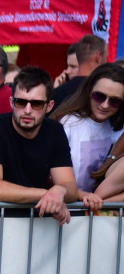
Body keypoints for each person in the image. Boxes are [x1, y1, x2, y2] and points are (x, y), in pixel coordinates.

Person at [0, 67, 99, 220]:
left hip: (38, 224)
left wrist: (60, 191)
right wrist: (48, 194)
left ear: (49, 106)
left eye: (36, 104)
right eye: (21, 102)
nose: (27, 110)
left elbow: (69, 186)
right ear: (11, 102)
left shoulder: (54, 131)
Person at [51, 62, 124, 194]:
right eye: (99, 96)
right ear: (89, 91)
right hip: (65, 208)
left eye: (115, 101)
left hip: (95, 210)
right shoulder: (68, 124)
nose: (105, 105)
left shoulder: (116, 128)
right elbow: (49, 176)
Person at [52, 35, 107, 107]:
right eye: (106, 57)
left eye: (73, 66)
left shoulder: (58, 93)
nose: (67, 72)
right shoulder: (102, 95)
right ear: (99, 57)